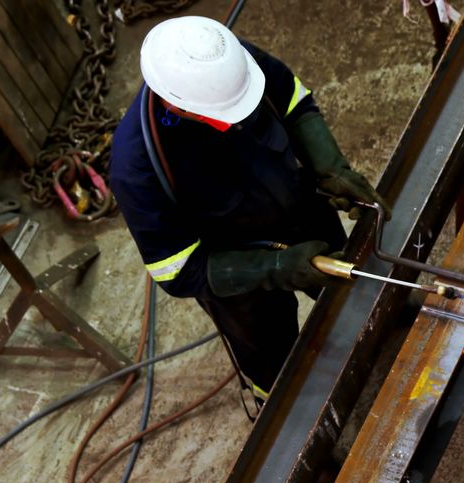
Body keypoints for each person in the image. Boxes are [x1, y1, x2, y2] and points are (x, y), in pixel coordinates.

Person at [109, 16, 389, 404]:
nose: (239, 119)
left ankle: (384, 339)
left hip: (300, 210)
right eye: (226, 114)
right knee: (273, 362)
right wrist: (275, 268)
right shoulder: (137, 168)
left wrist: (329, 164)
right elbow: (176, 270)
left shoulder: (230, 65)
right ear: (178, 104)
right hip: (241, 283)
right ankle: (293, 427)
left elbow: (291, 97)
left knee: (352, 285)